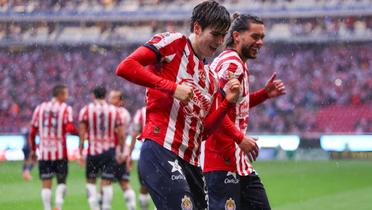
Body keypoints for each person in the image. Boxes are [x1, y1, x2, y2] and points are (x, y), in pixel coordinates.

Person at [115, 1, 256, 209]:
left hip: (191, 163)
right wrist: (171, 88)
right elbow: (126, 67)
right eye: (214, 34)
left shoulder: (210, 78)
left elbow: (204, 131)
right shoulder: (173, 43)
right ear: (197, 28)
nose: (218, 42)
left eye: (222, 36)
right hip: (161, 149)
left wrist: (227, 103)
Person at [203, 14, 286, 210]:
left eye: (262, 37)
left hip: (236, 161)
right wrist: (239, 137)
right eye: (255, 37)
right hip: (220, 159)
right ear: (237, 36)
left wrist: (263, 95)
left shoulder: (236, 62)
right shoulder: (232, 64)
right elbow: (213, 107)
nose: (260, 42)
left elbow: (235, 107)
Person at [29, 85, 78, 210]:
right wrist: (81, 134)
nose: (67, 96)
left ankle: (47, 208)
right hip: (60, 152)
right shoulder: (65, 109)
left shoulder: (40, 108)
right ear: (60, 95)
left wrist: (33, 150)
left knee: (46, 182)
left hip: (44, 151)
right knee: (61, 181)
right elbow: (69, 128)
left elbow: (33, 132)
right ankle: (58, 206)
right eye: (66, 94)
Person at [78, 86, 124, 210]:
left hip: (93, 151)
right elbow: (121, 134)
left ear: (93, 95)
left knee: (91, 181)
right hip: (109, 151)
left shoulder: (86, 110)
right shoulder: (114, 111)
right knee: (107, 181)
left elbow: (82, 133)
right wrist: (121, 151)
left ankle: (94, 208)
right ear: (105, 95)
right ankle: (106, 207)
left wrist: (80, 150)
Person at [108, 90, 136, 210]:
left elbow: (121, 135)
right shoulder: (111, 111)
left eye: (114, 98)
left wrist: (122, 152)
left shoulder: (121, 114)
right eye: (110, 97)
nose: (111, 100)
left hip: (115, 151)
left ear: (121, 101)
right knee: (108, 182)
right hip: (111, 151)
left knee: (120, 183)